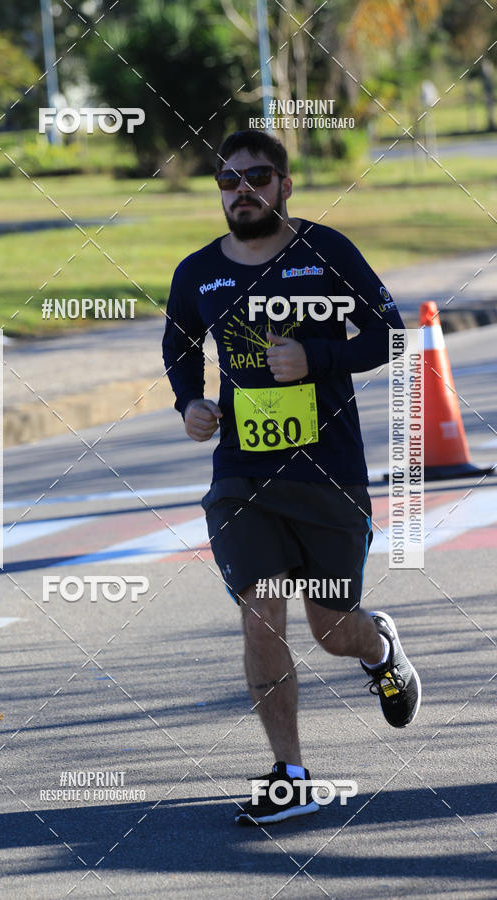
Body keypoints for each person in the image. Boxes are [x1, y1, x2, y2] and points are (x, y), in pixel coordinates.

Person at [162, 129, 421, 827]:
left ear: (285, 184)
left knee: (332, 630)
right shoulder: (197, 273)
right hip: (242, 477)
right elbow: (179, 346)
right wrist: (189, 403)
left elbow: (390, 333)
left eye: (256, 177)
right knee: (261, 610)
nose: (241, 191)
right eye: (228, 180)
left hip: (328, 472)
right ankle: (291, 775)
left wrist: (316, 357)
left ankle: (379, 647)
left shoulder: (326, 251)